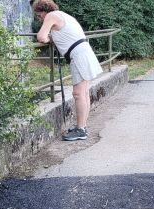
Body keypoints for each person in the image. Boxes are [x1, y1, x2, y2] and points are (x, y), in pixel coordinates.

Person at [32, 0, 103, 141]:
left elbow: (41, 36)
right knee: (83, 92)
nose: (39, 19)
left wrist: (46, 39)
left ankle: (81, 129)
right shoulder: (61, 15)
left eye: (39, 15)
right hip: (82, 52)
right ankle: (82, 126)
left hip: (78, 55)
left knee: (78, 93)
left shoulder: (51, 16)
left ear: (44, 11)